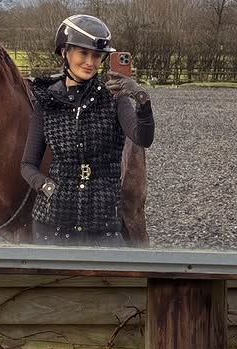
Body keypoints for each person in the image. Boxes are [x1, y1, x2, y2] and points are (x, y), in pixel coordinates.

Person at [21, 14, 155, 246]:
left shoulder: (115, 98)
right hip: (51, 224)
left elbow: (143, 137)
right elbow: (27, 164)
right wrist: (46, 186)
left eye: (97, 56)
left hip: (102, 226)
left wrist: (140, 97)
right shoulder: (46, 101)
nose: (90, 62)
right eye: (83, 53)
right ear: (64, 52)